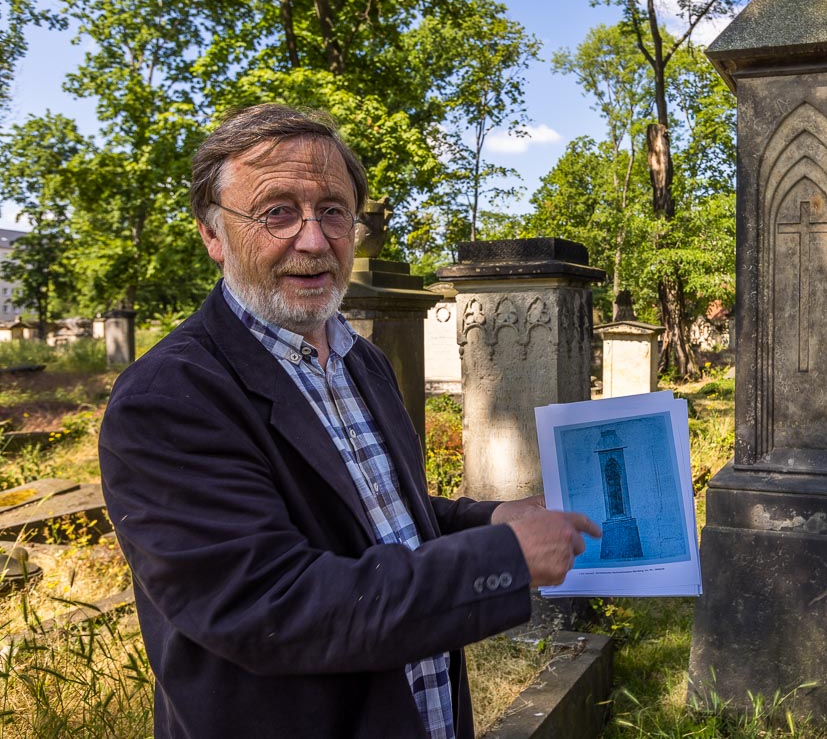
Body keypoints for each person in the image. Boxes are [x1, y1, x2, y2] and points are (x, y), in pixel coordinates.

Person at [98, 104, 600, 739]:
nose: (314, 240)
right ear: (213, 236)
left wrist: (491, 517)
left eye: (332, 210)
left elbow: (380, 517)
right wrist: (501, 557)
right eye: (276, 211)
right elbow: (270, 605)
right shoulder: (168, 398)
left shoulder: (359, 359)